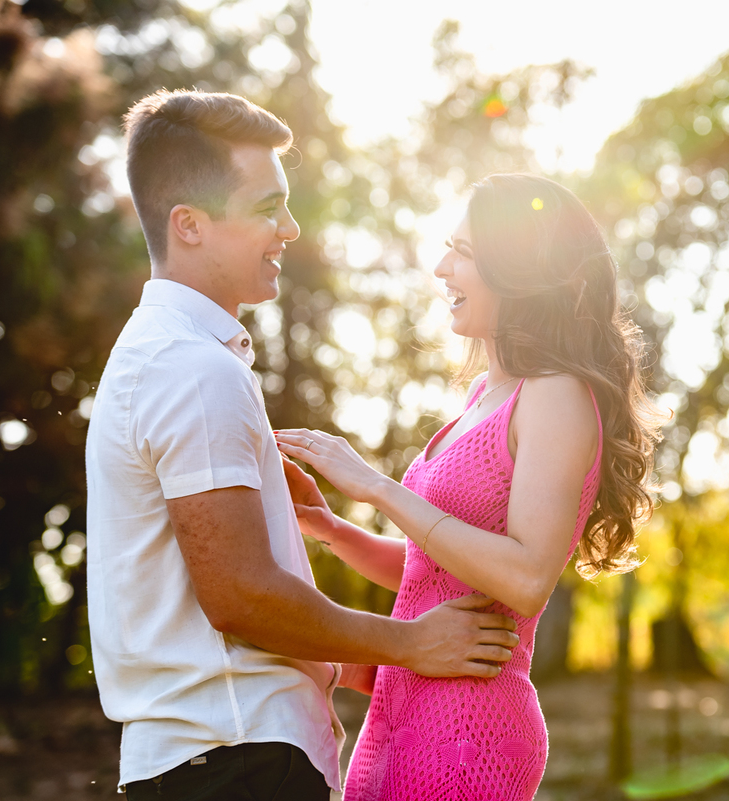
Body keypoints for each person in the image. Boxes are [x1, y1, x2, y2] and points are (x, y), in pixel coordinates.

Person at [85, 90, 518, 801]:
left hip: (220, 758)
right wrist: (410, 643)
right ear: (188, 226)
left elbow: (209, 608)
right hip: (237, 763)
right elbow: (242, 599)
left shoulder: (173, 355)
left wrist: (344, 657)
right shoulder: (191, 369)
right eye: (265, 208)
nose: (289, 228)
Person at [275, 173, 662, 800]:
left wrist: (377, 488)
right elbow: (438, 571)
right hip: (401, 715)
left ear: (519, 271)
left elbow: (525, 578)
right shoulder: (483, 396)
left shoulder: (556, 395)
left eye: (464, 252)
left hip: (468, 733)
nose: (440, 267)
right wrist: (331, 529)